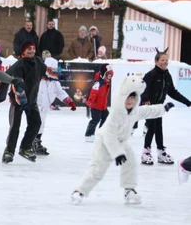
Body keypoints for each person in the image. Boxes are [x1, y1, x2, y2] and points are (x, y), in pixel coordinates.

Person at [71, 75, 175, 205]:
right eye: (128, 98)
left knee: (131, 163)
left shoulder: (134, 111)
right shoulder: (116, 114)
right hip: (104, 143)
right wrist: (117, 153)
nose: (130, 101)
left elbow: (147, 110)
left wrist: (162, 108)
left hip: (122, 142)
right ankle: (79, 191)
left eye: (133, 98)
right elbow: (109, 136)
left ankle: (129, 190)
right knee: (97, 169)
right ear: (122, 98)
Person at [0, 41, 47, 163]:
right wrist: (24, 104)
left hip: (32, 100)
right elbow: (18, 87)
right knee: (15, 127)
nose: (32, 51)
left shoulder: (38, 61)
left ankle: (25, 147)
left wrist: (56, 74)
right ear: (23, 51)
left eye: (33, 49)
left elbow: (46, 72)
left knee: (36, 123)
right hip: (18, 100)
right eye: (29, 49)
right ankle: (9, 151)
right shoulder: (19, 64)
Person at [140, 48, 191, 165]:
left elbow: (172, 92)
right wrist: (146, 99)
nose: (165, 62)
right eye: (163, 60)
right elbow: (142, 87)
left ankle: (161, 152)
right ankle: (145, 152)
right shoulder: (151, 74)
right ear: (156, 61)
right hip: (149, 107)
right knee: (152, 127)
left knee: (158, 128)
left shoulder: (167, 75)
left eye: (167, 60)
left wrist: (188, 102)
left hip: (159, 107)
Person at [35, 54, 76, 155]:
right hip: (36, 106)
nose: (54, 72)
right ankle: (33, 143)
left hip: (44, 108)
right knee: (37, 124)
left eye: (55, 70)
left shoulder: (55, 82)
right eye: (51, 69)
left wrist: (69, 101)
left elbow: (60, 92)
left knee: (41, 124)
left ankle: (36, 142)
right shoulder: (39, 80)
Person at [84, 64, 113, 142]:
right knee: (95, 120)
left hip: (103, 107)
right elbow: (93, 95)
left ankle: (102, 133)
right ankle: (88, 135)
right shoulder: (98, 84)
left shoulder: (107, 84)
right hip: (96, 106)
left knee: (106, 118)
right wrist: (90, 103)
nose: (109, 78)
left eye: (110, 77)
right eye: (108, 76)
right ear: (104, 75)